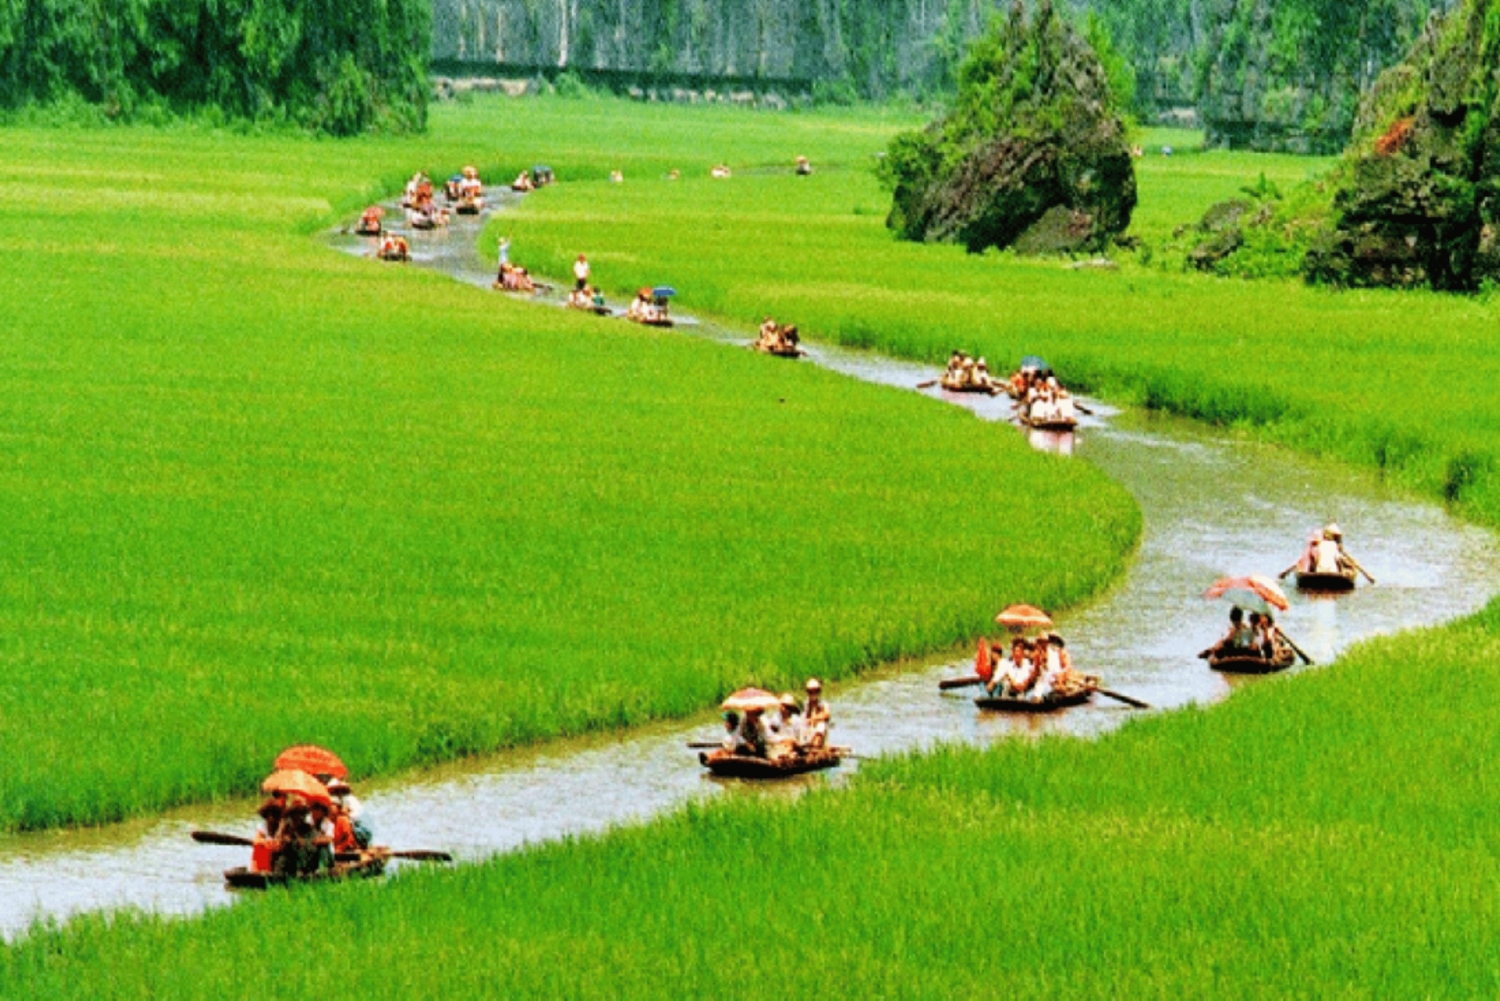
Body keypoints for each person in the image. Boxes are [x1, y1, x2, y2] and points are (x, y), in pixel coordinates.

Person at [803, 679, 830, 749]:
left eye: (815, 691)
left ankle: (816, 746)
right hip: (806, 732)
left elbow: (827, 715)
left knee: (821, 724)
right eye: (810, 692)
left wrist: (814, 719)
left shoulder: (824, 704)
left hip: (818, 733)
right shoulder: (805, 705)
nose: (813, 694)